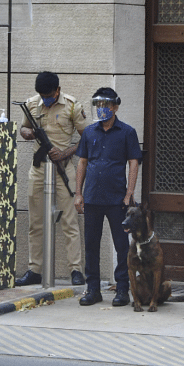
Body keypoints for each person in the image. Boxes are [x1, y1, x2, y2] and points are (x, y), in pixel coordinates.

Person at [17, 71, 89, 286]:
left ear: (57, 90)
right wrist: (26, 133)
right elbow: (23, 128)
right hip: (39, 168)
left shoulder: (72, 105)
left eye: (48, 95)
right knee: (36, 222)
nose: (45, 99)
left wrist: (66, 153)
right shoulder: (31, 104)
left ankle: (76, 270)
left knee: (69, 220)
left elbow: (88, 138)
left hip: (63, 167)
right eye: (41, 95)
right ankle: (35, 270)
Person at [74, 87, 142, 306]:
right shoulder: (89, 132)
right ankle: (92, 289)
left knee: (122, 245)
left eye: (106, 105)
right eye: (98, 106)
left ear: (115, 107)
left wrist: (129, 193)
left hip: (117, 199)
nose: (102, 109)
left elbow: (133, 162)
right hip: (92, 197)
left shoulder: (127, 132)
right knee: (91, 245)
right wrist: (78, 193)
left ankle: (122, 289)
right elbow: (82, 162)